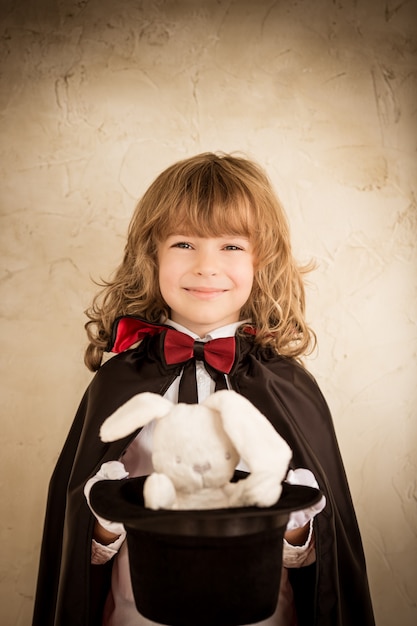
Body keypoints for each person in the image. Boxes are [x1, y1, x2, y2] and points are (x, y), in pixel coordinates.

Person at [32, 152, 375, 626]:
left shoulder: (288, 385)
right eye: (184, 244)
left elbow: (321, 562)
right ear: (150, 255)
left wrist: (294, 522)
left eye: (232, 246)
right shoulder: (117, 384)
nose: (206, 267)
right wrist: (107, 517)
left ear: (263, 259)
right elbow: (79, 561)